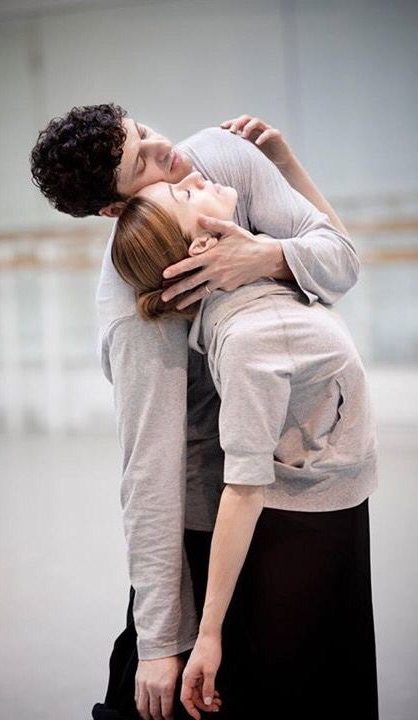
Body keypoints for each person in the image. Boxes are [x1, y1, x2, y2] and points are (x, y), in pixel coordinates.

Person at [30, 106, 361, 720]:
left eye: (145, 132)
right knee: (167, 686)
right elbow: (150, 468)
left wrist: (263, 256)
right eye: (142, 164)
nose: (167, 153)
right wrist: (161, 640)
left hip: (293, 491)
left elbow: (341, 264)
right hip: (211, 508)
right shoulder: (135, 312)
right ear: (114, 209)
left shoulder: (219, 158)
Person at [110, 171, 379, 720]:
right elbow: (244, 488)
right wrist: (205, 635)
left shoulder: (259, 286)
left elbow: (337, 246)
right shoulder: (258, 335)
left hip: (314, 518)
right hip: (297, 530)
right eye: (186, 196)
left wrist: (281, 157)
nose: (192, 176)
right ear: (204, 244)